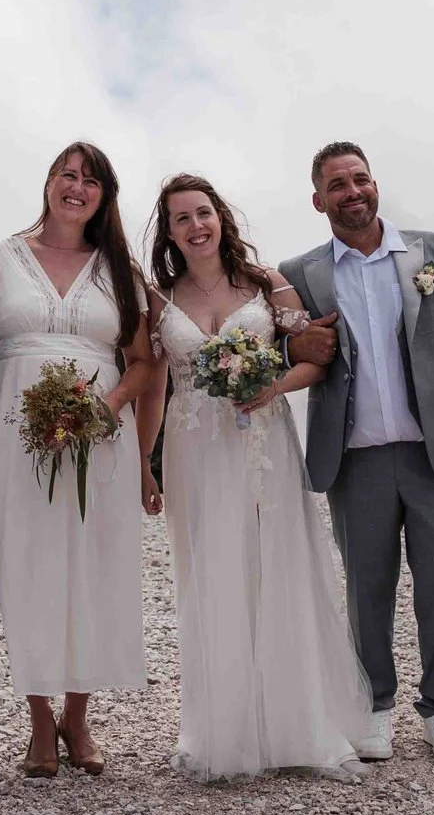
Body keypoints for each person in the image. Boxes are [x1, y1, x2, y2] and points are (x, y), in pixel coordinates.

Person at [135, 173, 366, 782]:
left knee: (275, 567)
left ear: (221, 217)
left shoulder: (267, 285)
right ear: (170, 232)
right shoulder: (160, 300)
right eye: (181, 218)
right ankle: (226, 731)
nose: (196, 225)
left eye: (203, 212)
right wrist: (143, 461)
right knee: (212, 576)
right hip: (193, 450)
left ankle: (296, 726)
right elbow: (155, 383)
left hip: (263, 444)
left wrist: (274, 386)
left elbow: (318, 355)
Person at [279, 143, 434, 763]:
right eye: (336, 184)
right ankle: (374, 706)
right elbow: (285, 348)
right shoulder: (302, 272)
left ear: (374, 185)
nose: (352, 191)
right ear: (318, 200)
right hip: (355, 460)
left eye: (360, 179)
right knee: (366, 588)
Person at [0, 142, 156, 778]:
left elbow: (143, 361)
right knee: (27, 564)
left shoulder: (119, 271)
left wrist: (104, 411)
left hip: (101, 434)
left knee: (94, 564)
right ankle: (35, 720)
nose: (76, 188)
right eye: (66, 175)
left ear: (104, 196)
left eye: (90, 181)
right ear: (48, 183)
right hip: (15, 431)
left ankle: (76, 716)